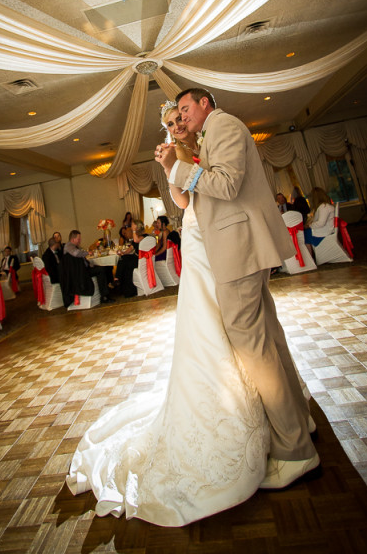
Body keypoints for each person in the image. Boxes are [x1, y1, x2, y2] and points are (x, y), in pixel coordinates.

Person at [67, 101, 271, 526]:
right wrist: (169, 167)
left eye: (180, 119)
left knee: (239, 318)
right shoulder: (177, 152)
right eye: (170, 123)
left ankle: (260, 388)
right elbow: (181, 201)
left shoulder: (211, 139)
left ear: (193, 116)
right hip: (198, 236)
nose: (177, 126)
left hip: (222, 234)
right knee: (209, 321)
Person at [156, 88, 319, 489]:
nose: (181, 118)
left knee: (255, 349)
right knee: (269, 338)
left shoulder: (224, 125)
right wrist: (175, 166)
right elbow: (197, 196)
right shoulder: (209, 135)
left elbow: (227, 186)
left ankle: (296, 450)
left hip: (237, 248)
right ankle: (300, 422)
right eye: (176, 116)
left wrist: (177, 168)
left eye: (185, 109)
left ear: (204, 104)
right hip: (231, 248)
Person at [64, 230, 114, 303]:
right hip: (80, 273)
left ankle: (108, 289)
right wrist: (87, 253)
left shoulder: (75, 246)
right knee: (101, 270)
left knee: (104, 267)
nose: (80, 241)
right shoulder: (69, 246)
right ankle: (104, 296)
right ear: (73, 239)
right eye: (78, 239)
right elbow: (76, 253)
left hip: (82, 270)